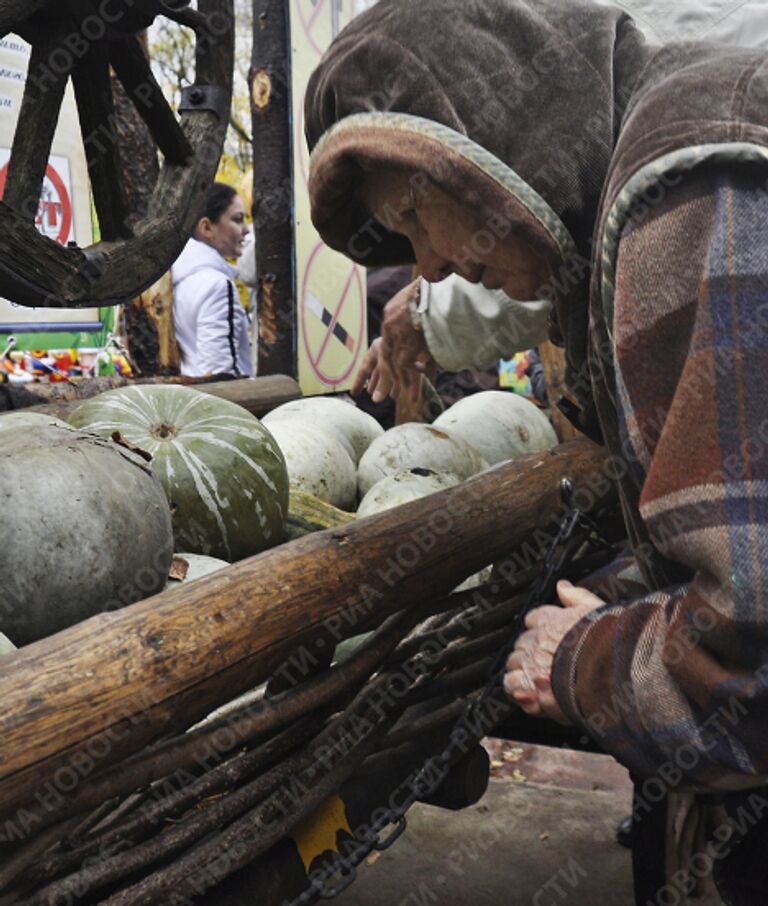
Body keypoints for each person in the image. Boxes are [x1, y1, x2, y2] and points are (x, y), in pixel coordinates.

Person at [304, 1, 768, 901]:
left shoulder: (690, 191)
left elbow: (746, 674)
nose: (431, 267)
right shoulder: (682, 134)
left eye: (411, 215)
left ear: (481, 138)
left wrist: (580, 658)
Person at [172, 182, 253, 378]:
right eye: (238, 219)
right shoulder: (217, 286)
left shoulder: (173, 281)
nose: (246, 230)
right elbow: (221, 372)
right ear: (207, 228)